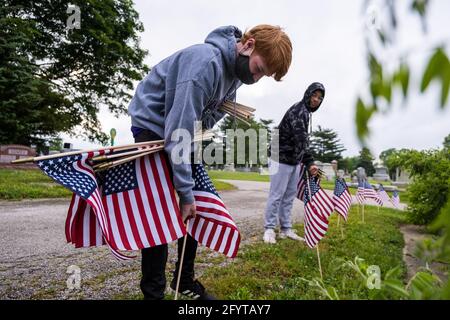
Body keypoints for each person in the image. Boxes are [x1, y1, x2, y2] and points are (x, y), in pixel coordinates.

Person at [128, 25, 293, 300]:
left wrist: (188, 191)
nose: (257, 78)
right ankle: (153, 293)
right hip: (153, 127)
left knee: (198, 200)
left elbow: (199, 124)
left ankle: (184, 279)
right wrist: (183, 191)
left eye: (263, 75)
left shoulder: (236, 77)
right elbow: (177, 129)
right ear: (248, 45)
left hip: (180, 132)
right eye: (259, 69)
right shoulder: (205, 64)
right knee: (161, 208)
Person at [263, 82, 325, 244]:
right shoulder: (299, 111)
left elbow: (302, 142)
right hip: (279, 156)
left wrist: (305, 161)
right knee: (277, 194)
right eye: (314, 95)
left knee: (289, 195)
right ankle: (269, 228)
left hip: (293, 159)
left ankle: (285, 229)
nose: (316, 100)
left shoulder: (306, 113)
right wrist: (310, 162)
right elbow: (301, 140)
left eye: (320, 98)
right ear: (308, 94)